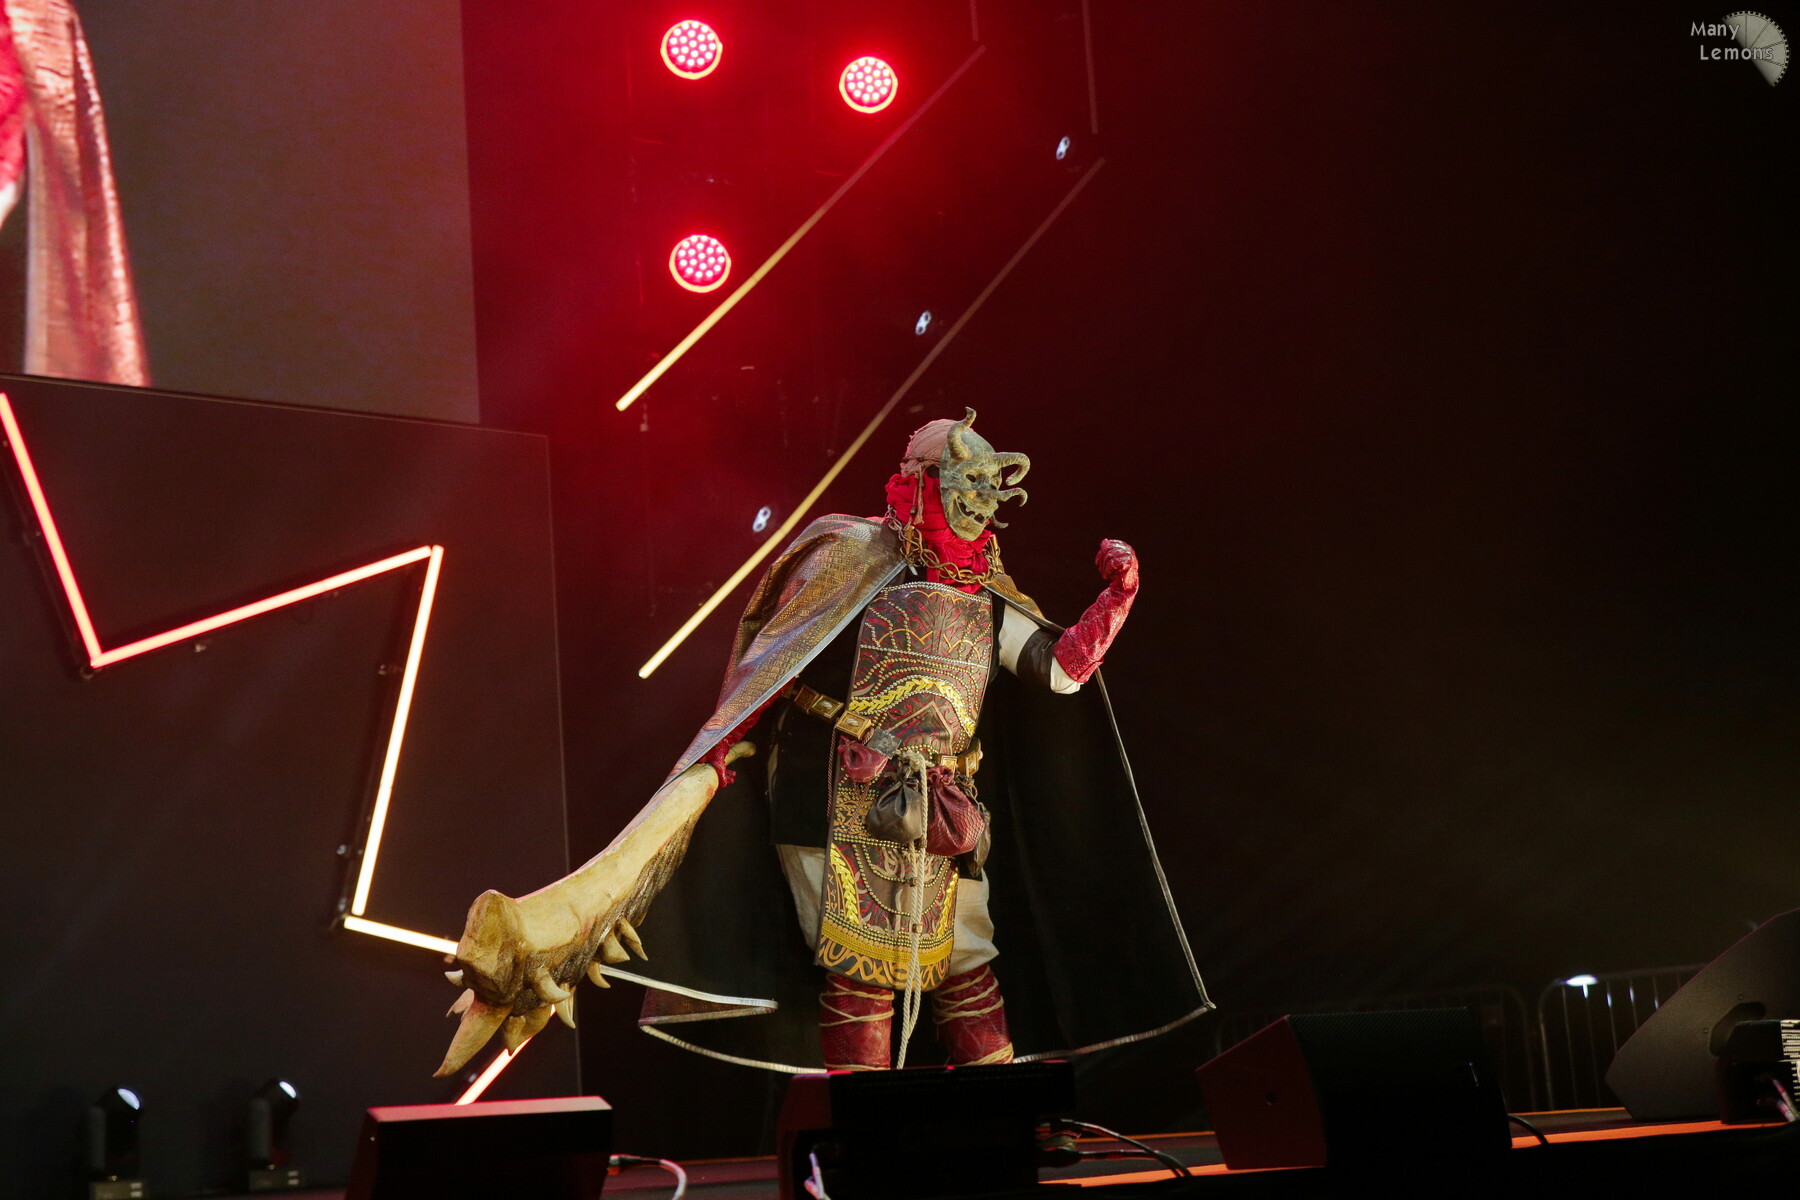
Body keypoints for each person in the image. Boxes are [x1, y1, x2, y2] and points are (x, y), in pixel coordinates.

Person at [438, 411, 1210, 1077]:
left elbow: (1058, 671)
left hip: (943, 810)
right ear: (921, 479)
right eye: (962, 482)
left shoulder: (985, 587)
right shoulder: (848, 550)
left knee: (968, 966)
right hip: (835, 797)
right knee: (859, 977)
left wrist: (1115, 602)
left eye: (986, 487)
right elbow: (773, 665)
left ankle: (1002, 1121)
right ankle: (864, 1140)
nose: (977, 502)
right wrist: (719, 751)